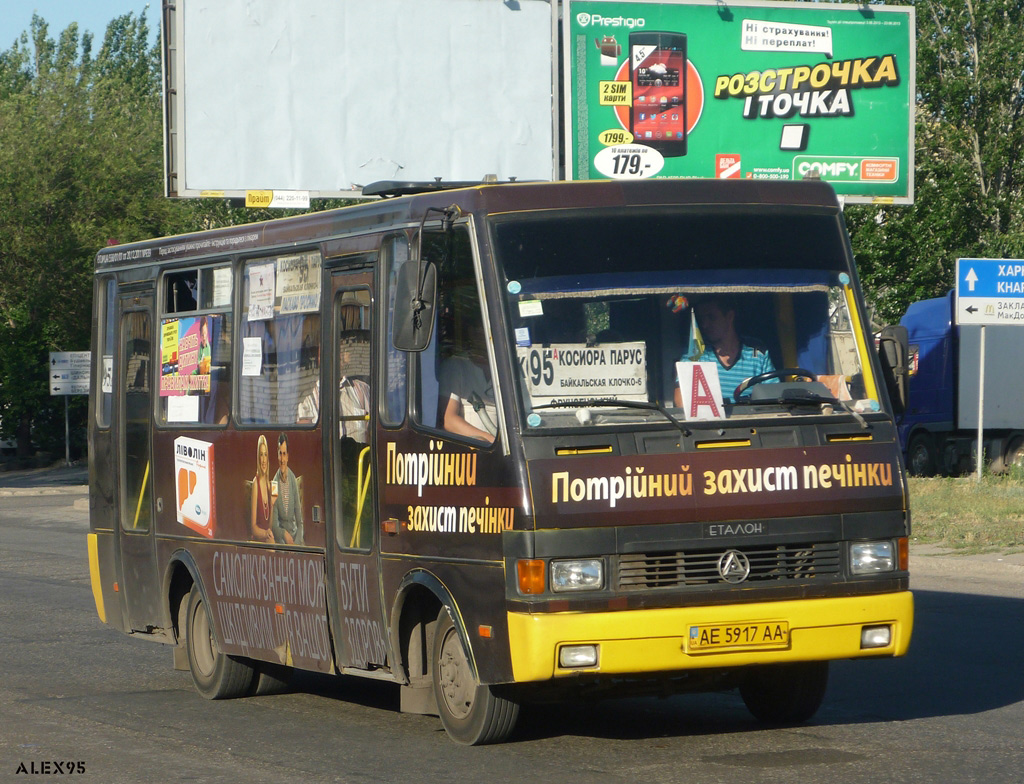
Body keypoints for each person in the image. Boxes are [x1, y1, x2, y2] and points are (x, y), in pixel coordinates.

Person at [673, 296, 776, 405]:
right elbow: (681, 401)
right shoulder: (695, 355)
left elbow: (774, 395)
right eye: (701, 319)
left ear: (730, 317)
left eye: (711, 317)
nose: (704, 325)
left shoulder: (758, 352)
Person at [439, 319, 496, 444]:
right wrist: (492, 440)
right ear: (471, 332)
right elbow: (449, 420)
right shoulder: (455, 365)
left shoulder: (504, 367)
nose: (482, 333)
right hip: (471, 450)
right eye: (478, 328)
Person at [271, 433, 304, 545]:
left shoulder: (293, 480)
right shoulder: (274, 484)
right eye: (280, 454)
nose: (282, 459)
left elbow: (300, 522)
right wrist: (284, 535)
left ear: (288, 456)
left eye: (284, 454)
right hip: (282, 540)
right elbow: (274, 525)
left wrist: (297, 544)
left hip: (295, 539)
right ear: (277, 455)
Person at [249, 435, 274, 543]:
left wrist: (272, 505)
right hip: (259, 538)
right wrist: (265, 534)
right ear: (258, 458)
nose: (263, 460)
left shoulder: (270, 484)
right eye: (261, 455)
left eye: (265, 455)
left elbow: (271, 526)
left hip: (269, 537)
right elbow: (253, 528)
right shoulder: (256, 483)